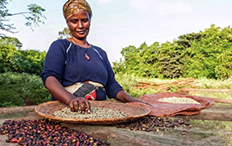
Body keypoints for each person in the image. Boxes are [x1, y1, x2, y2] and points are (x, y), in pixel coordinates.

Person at [41, 0, 144, 114]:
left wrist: (132, 100)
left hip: (99, 112)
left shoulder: (100, 53)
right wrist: (70, 99)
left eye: (84, 20)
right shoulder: (61, 46)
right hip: (68, 110)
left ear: (90, 20)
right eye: (74, 21)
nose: (80, 26)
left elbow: (112, 85)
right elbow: (50, 79)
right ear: (67, 22)